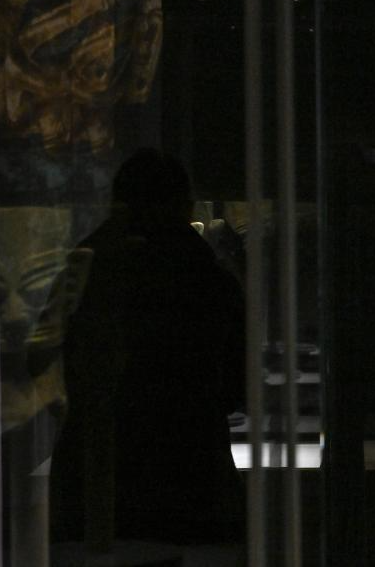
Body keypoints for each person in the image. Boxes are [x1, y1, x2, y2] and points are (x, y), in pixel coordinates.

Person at [50, 149, 245, 546]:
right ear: (184, 206)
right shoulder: (207, 279)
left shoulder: (88, 270)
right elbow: (233, 389)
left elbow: (61, 369)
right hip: (189, 471)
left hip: (97, 472)